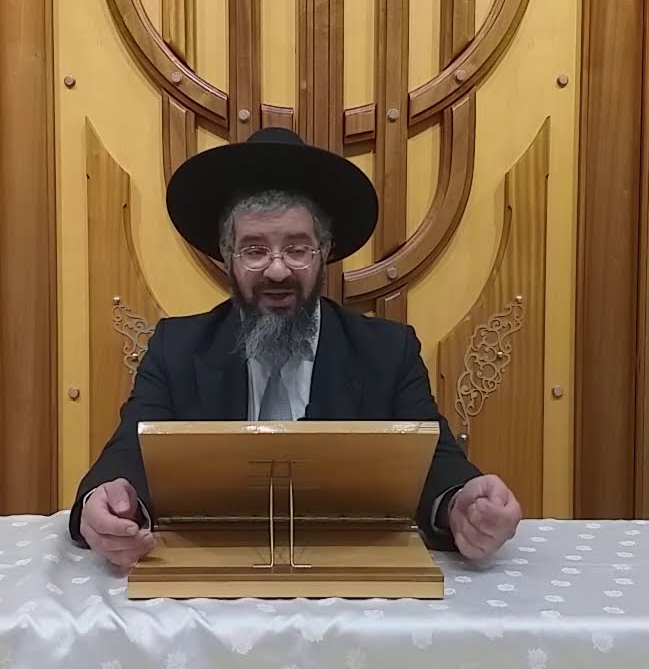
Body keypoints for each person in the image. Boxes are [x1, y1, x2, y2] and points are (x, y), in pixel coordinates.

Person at [69, 127, 522, 568]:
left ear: (324, 251)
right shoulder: (177, 349)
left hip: (349, 578)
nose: (277, 271)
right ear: (226, 256)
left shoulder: (387, 352)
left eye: (297, 249)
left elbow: (434, 459)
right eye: (254, 250)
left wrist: (461, 504)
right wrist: (104, 502)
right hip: (213, 576)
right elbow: (129, 452)